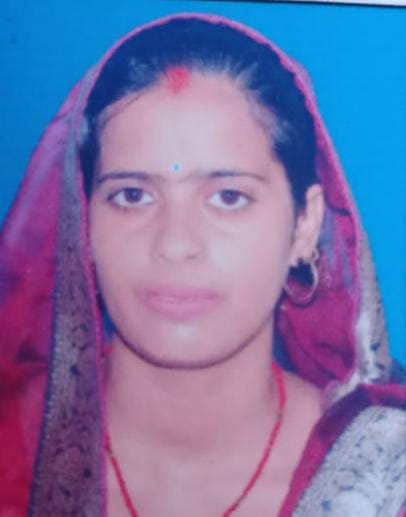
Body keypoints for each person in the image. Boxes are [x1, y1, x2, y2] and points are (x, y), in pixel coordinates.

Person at [0, 13, 404, 517]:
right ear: (81, 223)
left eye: (228, 197)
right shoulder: (12, 450)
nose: (175, 244)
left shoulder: (387, 479)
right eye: (132, 195)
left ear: (305, 226)